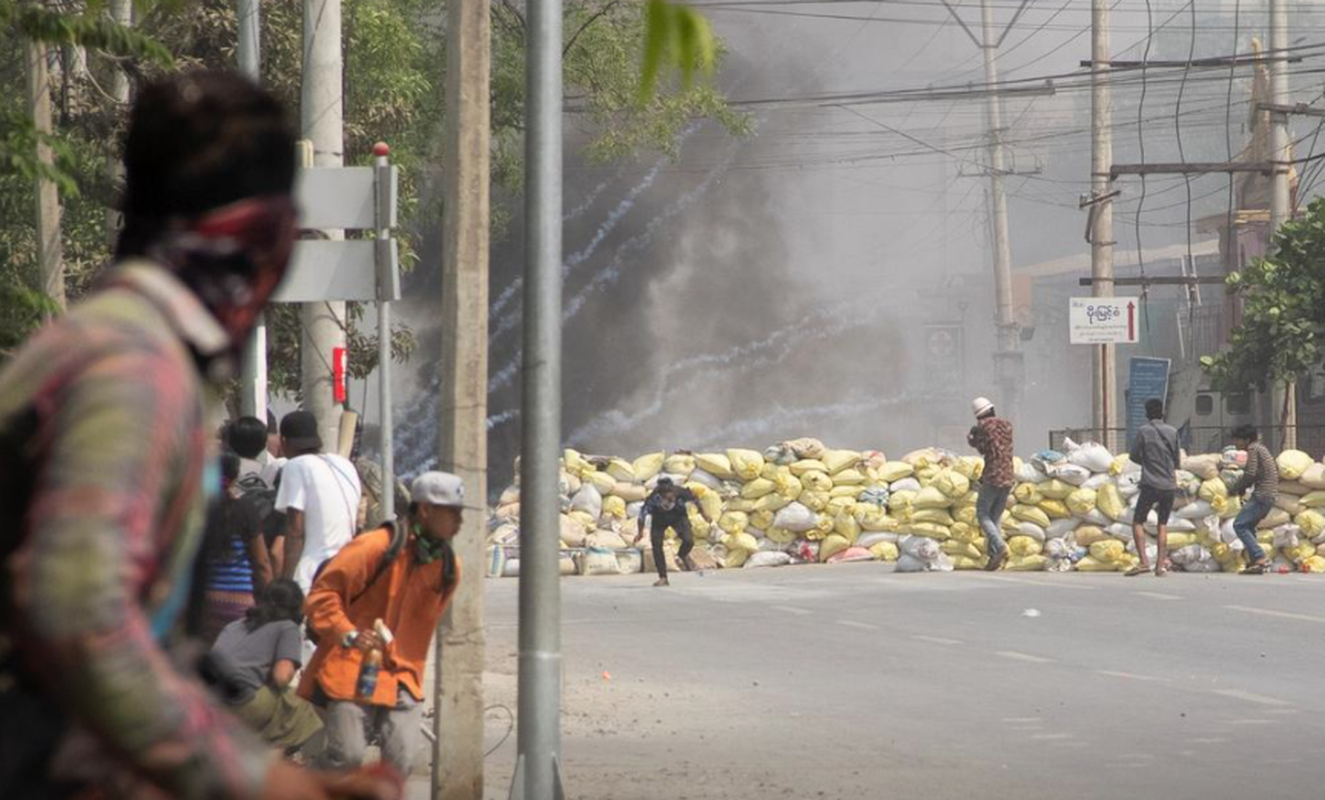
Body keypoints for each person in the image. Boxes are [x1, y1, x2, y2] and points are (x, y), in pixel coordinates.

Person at [0, 71, 394, 799]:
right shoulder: (135, 369)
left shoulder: (104, 342)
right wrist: (259, 779)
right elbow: (82, 617)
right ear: (262, 240)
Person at [301, 471, 464, 774]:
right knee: (346, 757)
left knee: (400, 764)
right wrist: (348, 634)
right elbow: (321, 596)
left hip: (403, 674)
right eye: (451, 513)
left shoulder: (448, 568)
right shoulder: (375, 547)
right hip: (351, 668)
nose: (459, 522)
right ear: (425, 510)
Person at [211, 580, 323, 754]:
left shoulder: (234, 625)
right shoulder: (287, 627)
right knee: (300, 701)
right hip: (241, 702)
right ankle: (268, 763)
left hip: (209, 699)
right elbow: (281, 677)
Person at [275, 409, 363, 593]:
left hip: (313, 575)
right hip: (349, 569)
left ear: (283, 442)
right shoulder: (345, 464)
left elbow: (295, 530)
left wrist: (286, 584)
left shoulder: (296, 466)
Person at [200, 452, 275, 643]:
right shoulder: (245, 509)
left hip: (204, 602)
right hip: (240, 604)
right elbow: (262, 564)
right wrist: (271, 602)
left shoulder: (199, 510)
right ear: (235, 477)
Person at [1127, 398, 1181, 577]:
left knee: (1137, 521)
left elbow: (1133, 455)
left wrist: (1148, 462)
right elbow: (1177, 460)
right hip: (1169, 485)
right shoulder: (1173, 432)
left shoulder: (1144, 431)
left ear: (1147, 413)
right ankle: (1160, 566)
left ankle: (1143, 562)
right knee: (1162, 524)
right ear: (1162, 413)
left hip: (1150, 483)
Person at [967, 396, 1014, 571]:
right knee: (995, 517)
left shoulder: (983, 426)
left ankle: (1000, 546)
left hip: (993, 475)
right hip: (1008, 475)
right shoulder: (1007, 425)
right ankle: (993, 557)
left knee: (982, 513)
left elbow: (982, 448)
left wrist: (972, 437)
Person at [633, 476, 709, 586]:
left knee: (689, 541)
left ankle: (683, 554)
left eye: (671, 493)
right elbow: (642, 515)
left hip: (678, 517)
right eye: (666, 494)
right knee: (656, 545)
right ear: (661, 494)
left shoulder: (681, 492)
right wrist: (640, 533)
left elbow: (695, 499)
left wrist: (704, 514)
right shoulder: (653, 498)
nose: (670, 496)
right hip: (659, 519)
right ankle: (663, 577)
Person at [1229, 424, 1279, 575]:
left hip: (1262, 494)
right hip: (1268, 495)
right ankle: (1255, 563)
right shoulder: (1260, 448)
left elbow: (1250, 473)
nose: (1235, 443)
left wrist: (1235, 487)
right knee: (1249, 526)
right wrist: (1244, 487)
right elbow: (1256, 473)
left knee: (1239, 525)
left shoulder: (1253, 449)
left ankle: (1260, 557)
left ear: (1246, 439)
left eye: (1237, 439)